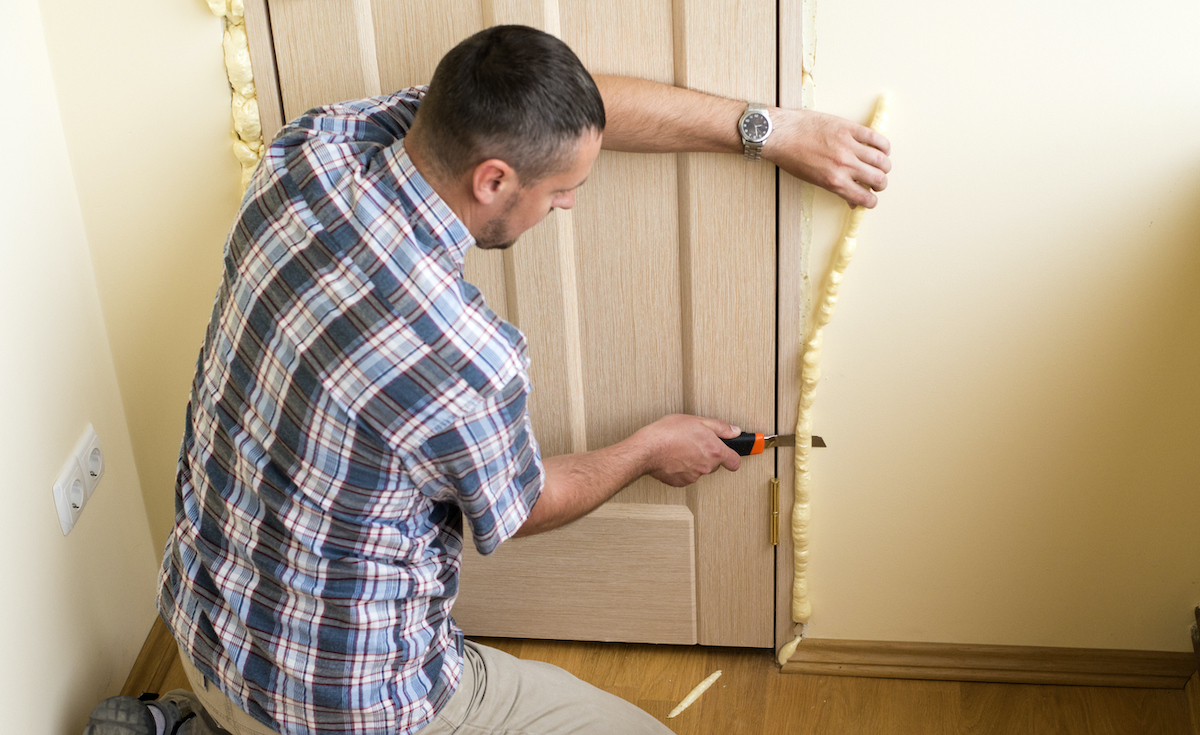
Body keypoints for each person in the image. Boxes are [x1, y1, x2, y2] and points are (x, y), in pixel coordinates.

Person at [86, 23, 889, 735]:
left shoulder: (313, 151)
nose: (569, 204)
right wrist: (649, 447)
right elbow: (520, 504)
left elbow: (565, 110)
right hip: (346, 707)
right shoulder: (461, 353)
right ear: (495, 181)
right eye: (563, 191)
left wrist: (768, 130)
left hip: (201, 631)